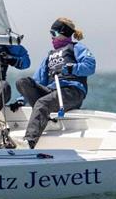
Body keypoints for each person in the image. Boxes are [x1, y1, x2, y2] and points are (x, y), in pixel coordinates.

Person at [14, 17, 95, 149]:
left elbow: (90, 66)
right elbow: (38, 79)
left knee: (42, 103)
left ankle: (29, 142)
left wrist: (71, 68)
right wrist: (21, 100)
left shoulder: (77, 48)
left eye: (54, 34)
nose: (51, 37)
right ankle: (46, 118)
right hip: (53, 91)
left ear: (64, 34)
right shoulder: (50, 55)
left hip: (71, 92)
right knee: (22, 82)